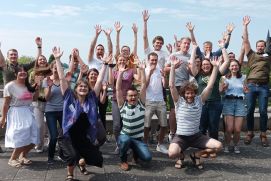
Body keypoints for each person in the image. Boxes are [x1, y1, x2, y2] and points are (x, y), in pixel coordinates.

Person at [54, 47, 109, 180]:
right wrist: (57, 59)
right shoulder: (69, 97)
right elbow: (62, 79)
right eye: (80, 87)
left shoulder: (91, 98)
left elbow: (100, 79)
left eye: (85, 86)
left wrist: (105, 65)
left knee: (96, 157)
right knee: (72, 156)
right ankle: (70, 174)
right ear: (76, 89)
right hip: (67, 134)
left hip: (83, 135)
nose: (83, 88)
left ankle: (81, 162)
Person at [168, 56, 222, 170]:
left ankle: (196, 155)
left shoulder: (199, 100)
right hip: (181, 137)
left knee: (218, 146)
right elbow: (171, 86)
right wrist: (172, 67)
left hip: (196, 136)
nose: (190, 95)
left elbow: (210, 86)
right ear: (183, 94)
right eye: (187, 93)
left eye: (192, 93)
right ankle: (181, 156)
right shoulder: (179, 101)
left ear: (195, 93)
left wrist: (216, 67)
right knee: (172, 153)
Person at [0, 65, 39, 167]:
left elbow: (34, 99)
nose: (22, 72)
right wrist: (3, 117)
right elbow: (6, 104)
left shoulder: (29, 86)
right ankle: (12, 158)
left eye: (24, 71)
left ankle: (23, 156)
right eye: (20, 71)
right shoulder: (10, 86)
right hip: (16, 113)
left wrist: (37, 89)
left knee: (35, 137)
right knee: (20, 136)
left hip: (28, 112)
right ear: (15, 74)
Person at [116, 60, 152, 171]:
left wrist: (141, 70)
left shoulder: (141, 104)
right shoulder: (123, 105)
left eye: (135, 96)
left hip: (138, 138)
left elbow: (144, 86)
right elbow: (117, 89)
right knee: (125, 141)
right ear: (126, 97)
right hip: (125, 136)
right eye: (130, 96)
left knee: (147, 157)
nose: (133, 98)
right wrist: (120, 73)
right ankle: (123, 160)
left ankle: (135, 154)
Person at [242, 16, 271, 147]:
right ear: (256, 47)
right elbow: (246, 40)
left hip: (264, 86)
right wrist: (245, 26)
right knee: (249, 111)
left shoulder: (268, 57)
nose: (260, 47)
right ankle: (250, 132)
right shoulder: (251, 55)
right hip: (251, 86)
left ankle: (263, 134)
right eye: (258, 46)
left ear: (265, 47)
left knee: (263, 111)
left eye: (262, 46)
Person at [108, 54, 140, 154]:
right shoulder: (114, 72)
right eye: (120, 60)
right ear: (117, 62)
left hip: (128, 101)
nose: (122, 61)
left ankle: (128, 145)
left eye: (124, 60)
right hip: (116, 100)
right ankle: (119, 144)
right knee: (117, 125)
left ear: (127, 62)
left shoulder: (130, 71)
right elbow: (110, 82)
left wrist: (138, 66)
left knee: (128, 124)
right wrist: (110, 67)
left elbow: (139, 79)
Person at [29, 37, 52, 153]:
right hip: (37, 102)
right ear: (37, 62)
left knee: (50, 125)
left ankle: (51, 142)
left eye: (44, 59)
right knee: (39, 126)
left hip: (49, 102)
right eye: (40, 59)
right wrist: (39, 47)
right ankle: (40, 144)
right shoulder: (33, 73)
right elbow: (31, 89)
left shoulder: (50, 73)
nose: (42, 60)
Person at [220, 60, 248, 153]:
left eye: (236, 66)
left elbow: (246, 91)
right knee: (228, 129)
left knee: (237, 129)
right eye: (232, 66)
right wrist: (223, 89)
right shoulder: (224, 78)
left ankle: (236, 145)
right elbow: (221, 91)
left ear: (239, 67)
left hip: (240, 102)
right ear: (229, 67)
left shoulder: (244, 77)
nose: (234, 67)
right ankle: (227, 145)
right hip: (228, 102)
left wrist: (246, 91)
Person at [143, 52, 168, 154]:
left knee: (164, 125)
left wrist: (165, 77)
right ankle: (144, 144)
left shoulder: (160, 70)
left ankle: (160, 144)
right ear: (148, 60)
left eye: (155, 60)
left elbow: (165, 86)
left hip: (160, 100)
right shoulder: (144, 70)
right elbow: (145, 85)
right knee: (146, 125)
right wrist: (150, 73)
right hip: (149, 101)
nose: (153, 62)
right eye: (152, 60)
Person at [44, 60, 64, 164]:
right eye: (55, 68)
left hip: (62, 110)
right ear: (51, 68)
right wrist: (50, 86)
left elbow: (65, 95)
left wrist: (64, 82)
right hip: (50, 111)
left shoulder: (63, 80)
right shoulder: (46, 80)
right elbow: (47, 98)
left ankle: (62, 154)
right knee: (53, 135)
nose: (56, 70)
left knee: (64, 134)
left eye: (58, 68)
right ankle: (50, 157)